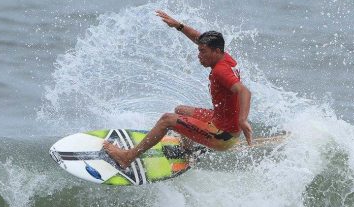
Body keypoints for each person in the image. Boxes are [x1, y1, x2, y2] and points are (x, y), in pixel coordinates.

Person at [103, 10, 252, 169]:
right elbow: (199, 39)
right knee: (180, 110)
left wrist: (243, 120)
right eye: (199, 50)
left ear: (216, 51)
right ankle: (188, 152)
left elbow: (244, 91)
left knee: (167, 120)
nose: (199, 56)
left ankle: (127, 157)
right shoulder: (224, 57)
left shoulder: (220, 71)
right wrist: (179, 26)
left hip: (222, 135)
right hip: (219, 120)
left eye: (203, 52)